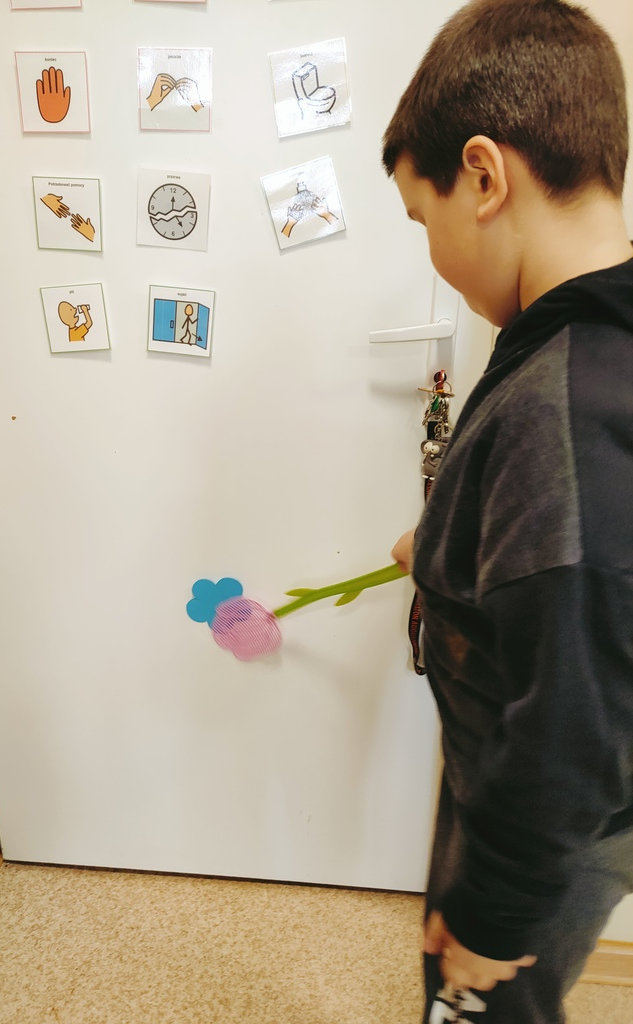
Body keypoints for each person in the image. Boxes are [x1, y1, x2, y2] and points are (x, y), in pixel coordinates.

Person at [381, 2, 633, 1021]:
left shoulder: (560, 406)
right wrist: (448, 546)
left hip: (542, 814)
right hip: (524, 781)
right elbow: (565, 558)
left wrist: (496, 911)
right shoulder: (579, 334)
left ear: (484, 177)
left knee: (481, 1003)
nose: (431, 252)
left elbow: (574, 714)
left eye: (421, 218)